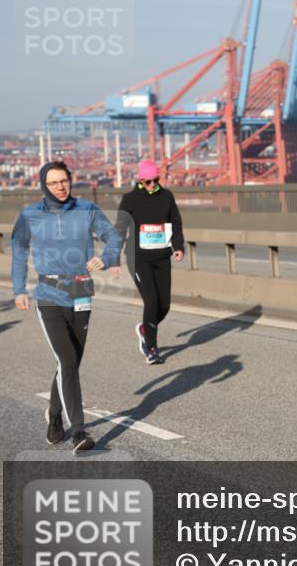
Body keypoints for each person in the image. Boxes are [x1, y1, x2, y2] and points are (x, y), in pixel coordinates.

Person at [11, 161, 123, 454]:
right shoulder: (30, 214)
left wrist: (107, 258)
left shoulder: (86, 209)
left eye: (64, 181)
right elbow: (19, 249)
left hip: (81, 292)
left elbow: (113, 236)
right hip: (48, 295)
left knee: (69, 363)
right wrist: (19, 289)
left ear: (70, 181)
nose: (60, 187)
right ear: (43, 185)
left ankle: (54, 415)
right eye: (53, 183)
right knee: (68, 361)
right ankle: (79, 432)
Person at [115, 160, 185, 365]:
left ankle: (145, 328)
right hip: (137, 257)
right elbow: (120, 228)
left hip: (162, 256)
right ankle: (152, 348)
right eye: (148, 182)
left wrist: (178, 246)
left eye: (155, 180)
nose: (152, 185)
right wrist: (113, 258)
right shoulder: (130, 199)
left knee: (164, 305)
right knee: (152, 301)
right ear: (140, 180)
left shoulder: (167, 196)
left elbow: (175, 223)